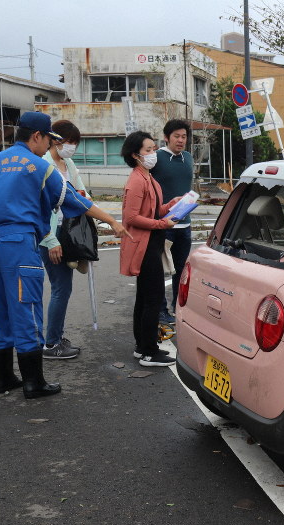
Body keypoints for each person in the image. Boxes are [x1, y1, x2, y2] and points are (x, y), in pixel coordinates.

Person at [0, 111, 126, 399]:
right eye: (49, 140)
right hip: (19, 243)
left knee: (0, 309)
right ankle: (34, 383)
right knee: (27, 309)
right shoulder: (41, 167)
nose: (50, 146)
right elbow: (75, 200)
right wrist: (112, 221)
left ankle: (4, 378)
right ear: (37, 136)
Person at [119, 131, 181, 367]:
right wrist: (161, 224)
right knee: (153, 298)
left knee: (145, 297)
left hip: (151, 243)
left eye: (154, 149)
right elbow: (131, 217)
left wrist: (171, 205)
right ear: (135, 155)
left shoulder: (148, 177)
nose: (153, 153)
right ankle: (149, 351)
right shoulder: (136, 180)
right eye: (148, 150)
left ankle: (142, 346)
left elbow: (153, 211)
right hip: (144, 246)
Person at [38, 120, 88, 360]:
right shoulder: (44, 164)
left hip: (67, 231)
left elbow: (81, 193)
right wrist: (50, 240)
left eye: (75, 143)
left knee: (63, 288)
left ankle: (55, 337)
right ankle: (52, 343)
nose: (72, 147)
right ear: (56, 140)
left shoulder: (68, 163)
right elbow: (41, 207)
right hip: (52, 235)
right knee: (61, 288)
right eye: (69, 142)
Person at [151, 119, 194, 325]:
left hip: (185, 224)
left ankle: (178, 307)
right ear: (166, 137)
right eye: (176, 136)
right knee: (160, 270)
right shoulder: (156, 158)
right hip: (164, 225)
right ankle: (160, 310)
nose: (181, 140)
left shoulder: (188, 158)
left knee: (181, 270)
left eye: (184, 136)